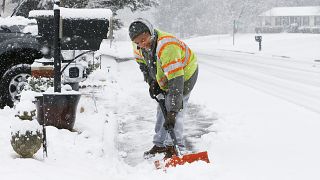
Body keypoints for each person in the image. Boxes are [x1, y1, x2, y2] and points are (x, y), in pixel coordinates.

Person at [129, 18, 198, 159]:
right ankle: (160, 144)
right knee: (161, 108)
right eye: (138, 42)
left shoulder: (167, 46)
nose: (142, 44)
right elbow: (144, 65)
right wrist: (152, 82)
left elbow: (176, 84)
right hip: (167, 74)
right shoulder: (138, 46)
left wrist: (172, 111)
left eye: (144, 39)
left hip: (185, 74)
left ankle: (174, 147)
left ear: (151, 32)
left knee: (175, 109)